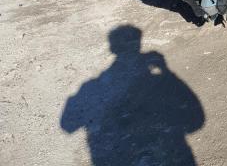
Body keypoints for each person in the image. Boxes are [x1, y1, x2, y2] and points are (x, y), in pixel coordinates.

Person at [61, 25, 204, 166]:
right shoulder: (162, 81)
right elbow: (196, 122)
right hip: (171, 150)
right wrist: (166, 72)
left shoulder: (91, 86)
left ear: (113, 48)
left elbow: (67, 125)